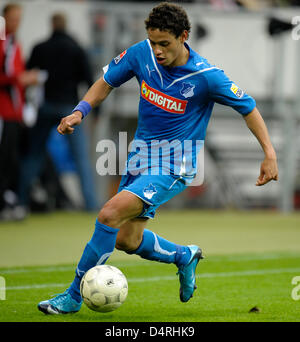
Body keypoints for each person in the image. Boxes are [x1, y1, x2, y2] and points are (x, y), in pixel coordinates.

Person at [38, 2, 278, 314]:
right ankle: (183, 256)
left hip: (174, 165)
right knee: (126, 239)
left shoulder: (207, 77)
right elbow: (105, 83)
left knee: (109, 213)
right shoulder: (141, 54)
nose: (158, 50)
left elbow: (248, 108)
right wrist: (79, 111)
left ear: (184, 36)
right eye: (153, 42)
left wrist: (269, 154)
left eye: (164, 43)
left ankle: (72, 296)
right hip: (140, 160)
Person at [18, 12, 98, 212]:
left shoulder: (40, 48)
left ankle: (20, 202)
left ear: (52, 25)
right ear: (66, 25)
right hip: (70, 109)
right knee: (80, 158)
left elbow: (27, 75)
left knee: (34, 155)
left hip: (46, 107)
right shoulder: (77, 49)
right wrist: (95, 112)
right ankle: (90, 205)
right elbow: (90, 82)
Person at [0, 3, 39, 220]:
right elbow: (9, 75)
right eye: (13, 18)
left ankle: (9, 199)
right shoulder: (4, 41)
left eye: (19, 18)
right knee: (4, 159)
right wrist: (21, 78)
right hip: (3, 111)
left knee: (11, 159)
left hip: (13, 112)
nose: (17, 22)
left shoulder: (13, 41)